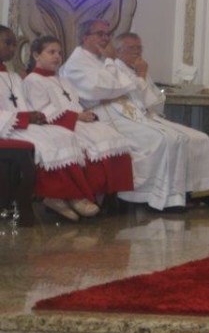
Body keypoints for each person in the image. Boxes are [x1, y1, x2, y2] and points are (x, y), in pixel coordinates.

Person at [61, 21, 209, 212]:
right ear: (85, 37)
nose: (105, 38)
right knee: (161, 140)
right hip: (102, 115)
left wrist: (123, 73)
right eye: (100, 34)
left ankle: (174, 195)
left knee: (175, 138)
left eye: (108, 34)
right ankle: (150, 196)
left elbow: (129, 85)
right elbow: (105, 88)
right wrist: (112, 64)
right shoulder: (77, 63)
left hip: (125, 111)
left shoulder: (100, 59)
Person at [23, 34, 134, 212]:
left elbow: (74, 103)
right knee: (86, 143)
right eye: (51, 52)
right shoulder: (32, 80)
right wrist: (75, 117)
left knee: (112, 136)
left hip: (74, 120)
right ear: (36, 55)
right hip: (55, 125)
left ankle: (102, 195)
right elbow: (41, 110)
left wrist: (83, 114)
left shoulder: (62, 80)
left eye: (59, 52)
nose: (57, 56)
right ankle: (73, 197)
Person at [0, 26, 94, 222]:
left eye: (14, 44)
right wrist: (26, 118)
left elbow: (22, 106)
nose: (12, 48)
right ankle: (57, 196)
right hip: (7, 129)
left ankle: (68, 195)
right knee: (46, 142)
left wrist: (34, 116)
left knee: (63, 135)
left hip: (19, 124)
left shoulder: (13, 76)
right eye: (7, 43)